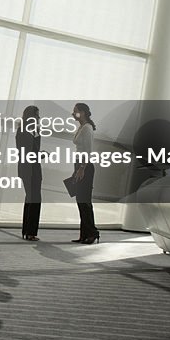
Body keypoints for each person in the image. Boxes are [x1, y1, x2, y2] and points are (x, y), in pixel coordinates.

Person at [70, 102, 99, 244]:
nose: (72, 113)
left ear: (83, 112)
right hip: (79, 165)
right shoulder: (81, 127)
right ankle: (84, 234)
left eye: (75, 111)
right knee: (80, 201)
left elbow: (88, 151)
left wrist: (82, 168)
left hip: (84, 166)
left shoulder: (87, 128)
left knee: (85, 201)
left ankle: (92, 233)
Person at [15, 105, 42, 241]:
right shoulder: (23, 131)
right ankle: (30, 232)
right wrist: (40, 155)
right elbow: (26, 152)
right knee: (34, 199)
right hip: (29, 169)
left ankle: (27, 231)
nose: (39, 118)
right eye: (37, 115)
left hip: (32, 168)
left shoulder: (32, 130)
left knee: (31, 198)